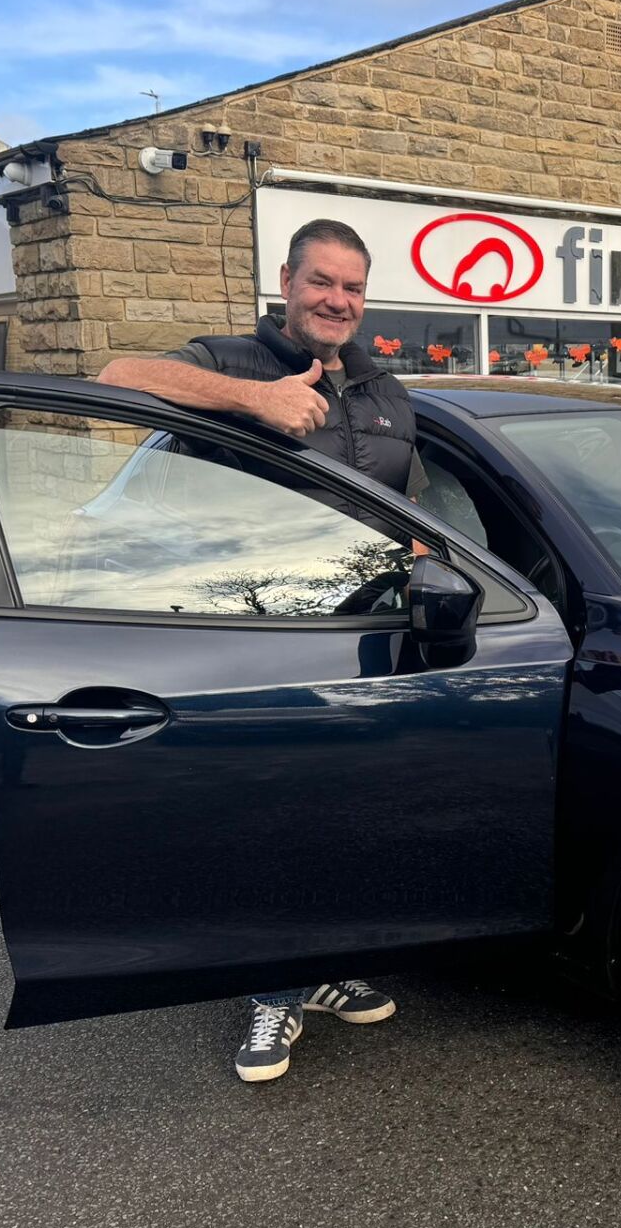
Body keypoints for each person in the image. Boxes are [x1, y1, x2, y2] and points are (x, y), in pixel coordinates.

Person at [97, 217, 426, 1082]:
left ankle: (318, 968)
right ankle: (270, 993)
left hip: (361, 643)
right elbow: (116, 376)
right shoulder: (232, 361)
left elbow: (411, 511)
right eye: (322, 281)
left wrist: (433, 562)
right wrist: (262, 400)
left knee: (341, 816)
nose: (337, 300)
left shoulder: (389, 394)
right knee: (271, 819)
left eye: (352, 287)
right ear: (286, 281)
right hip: (255, 637)